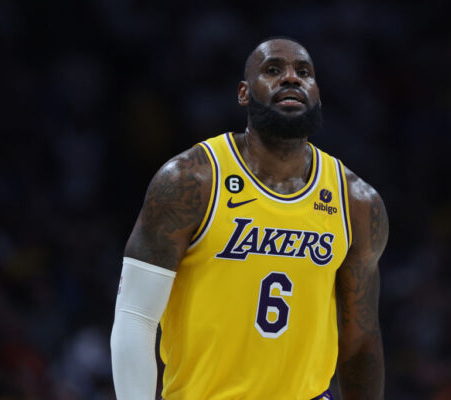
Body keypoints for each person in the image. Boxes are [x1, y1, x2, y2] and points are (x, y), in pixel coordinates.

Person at [110, 37, 388, 400]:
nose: (291, 78)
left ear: (318, 94)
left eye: (304, 72)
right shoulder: (191, 180)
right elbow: (136, 317)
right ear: (243, 93)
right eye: (273, 70)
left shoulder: (356, 202)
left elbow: (360, 341)